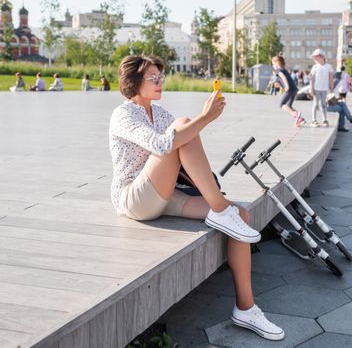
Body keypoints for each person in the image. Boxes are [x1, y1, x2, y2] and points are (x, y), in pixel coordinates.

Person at [109, 55, 285, 341]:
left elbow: (181, 140)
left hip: (167, 194)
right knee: (183, 126)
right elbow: (163, 145)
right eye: (152, 77)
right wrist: (205, 118)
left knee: (239, 215)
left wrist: (199, 125)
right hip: (135, 199)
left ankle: (246, 308)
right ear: (133, 83)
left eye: (160, 76)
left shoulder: (159, 112)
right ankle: (218, 208)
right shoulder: (124, 114)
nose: (159, 81)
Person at [271, 55, 305, 126]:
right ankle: (299, 119)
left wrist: (286, 86)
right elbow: (284, 79)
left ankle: (296, 114)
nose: (273, 65)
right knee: (289, 105)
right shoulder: (284, 69)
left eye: (273, 64)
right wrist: (280, 85)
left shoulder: (278, 70)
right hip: (294, 89)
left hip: (289, 90)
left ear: (277, 63)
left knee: (282, 105)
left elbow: (283, 77)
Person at [309, 48, 334, 127]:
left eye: (316, 57)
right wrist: (311, 88)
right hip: (316, 88)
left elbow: (330, 78)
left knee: (323, 104)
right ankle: (314, 120)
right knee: (315, 104)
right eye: (315, 57)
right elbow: (312, 79)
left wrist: (331, 87)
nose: (315, 59)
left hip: (324, 88)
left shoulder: (328, 66)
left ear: (322, 57)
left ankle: (324, 119)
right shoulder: (315, 67)